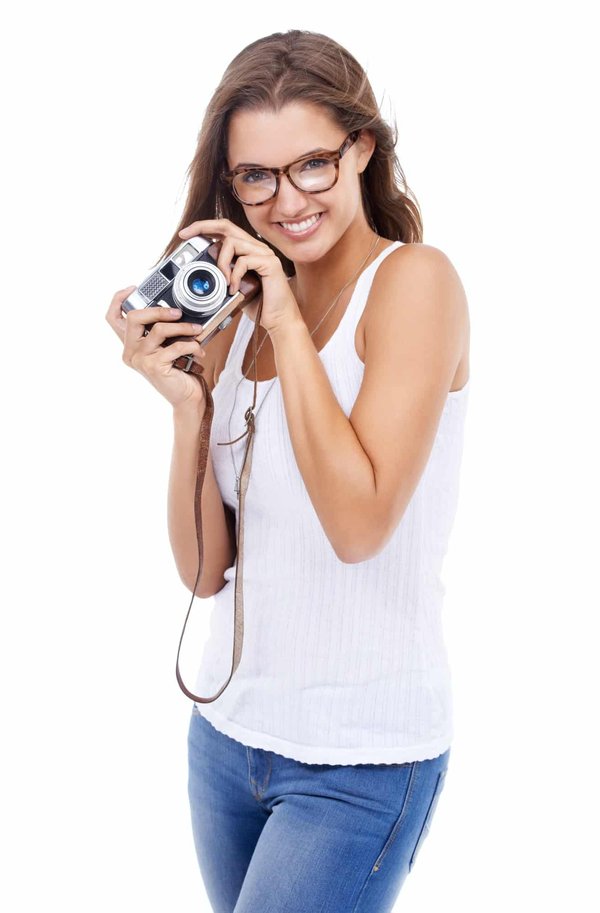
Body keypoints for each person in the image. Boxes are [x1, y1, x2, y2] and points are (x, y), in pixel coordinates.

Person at [106, 28, 470, 913]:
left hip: (359, 762)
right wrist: (190, 405)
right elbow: (204, 569)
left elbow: (359, 524)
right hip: (226, 737)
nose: (286, 200)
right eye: (255, 176)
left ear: (364, 148)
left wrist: (287, 328)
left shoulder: (415, 283)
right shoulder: (241, 308)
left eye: (312, 164)